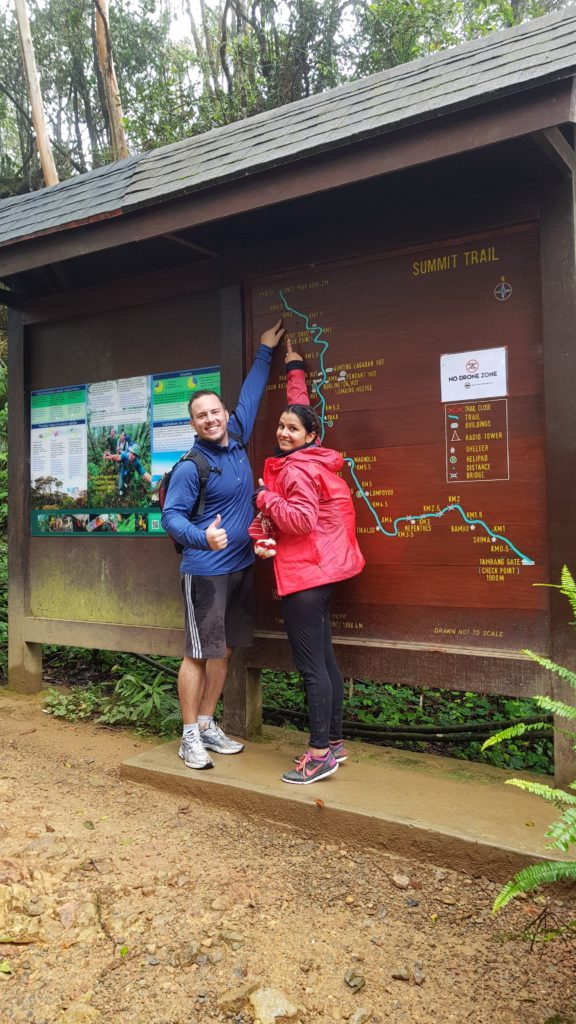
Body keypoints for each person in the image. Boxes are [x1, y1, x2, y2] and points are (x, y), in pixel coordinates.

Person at [161, 320, 286, 771]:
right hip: (205, 571)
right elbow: (170, 517)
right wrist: (203, 536)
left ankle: (209, 723)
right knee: (198, 651)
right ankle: (189, 734)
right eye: (202, 416)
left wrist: (265, 352)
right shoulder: (191, 466)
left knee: (225, 649)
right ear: (192, 423)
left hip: (240, 568)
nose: (212, 419)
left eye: (216, 412)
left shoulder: (236, 441)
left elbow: (250, 396)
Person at [254, 339, 365, 785]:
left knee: (311, 667)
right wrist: (295, 367)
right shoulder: (316, 458)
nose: (283, 432)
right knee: (325, 660)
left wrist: (263, 496)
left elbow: (298, 521)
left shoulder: (296, 469)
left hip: (306, 575)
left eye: (291, 430)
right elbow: (301, 408)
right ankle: (334, 743)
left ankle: (318, 754)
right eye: (280, 426)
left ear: (309, 437)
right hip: (327, 568)